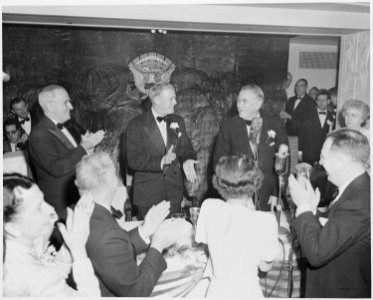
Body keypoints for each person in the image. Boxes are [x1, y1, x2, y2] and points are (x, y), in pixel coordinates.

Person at [77, 152, 185, 297]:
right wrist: (157, 245)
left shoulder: (86, 212)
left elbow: (114, 250)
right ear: (113, 182)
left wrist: (143, 230)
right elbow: (137, 290)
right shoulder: (105, 233)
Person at [289, 128, 370, 298]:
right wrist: (312, 211)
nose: (319, 162)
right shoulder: (355, 188)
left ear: (340, 162)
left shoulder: (359, 201)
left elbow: (317, 253)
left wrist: (303, 207)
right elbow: (337, 231)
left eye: (323, 157)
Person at [3, 173, 100, 297]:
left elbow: (54, 271)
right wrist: (79, 251)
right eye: (38, 208)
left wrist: (70, 242)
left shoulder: (14, 251)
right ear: (13, 227)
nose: (50, 209)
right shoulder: (38, 278)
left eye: (43, 200)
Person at [195, 155, 279, 298]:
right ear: (254, 183)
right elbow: (265, 266)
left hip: (217, 293)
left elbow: (206, 242)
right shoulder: (265, 221)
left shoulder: (208, 207)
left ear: (220, 182)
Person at [28, 84, 105, 221]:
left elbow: (73, 157)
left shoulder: (69, 125)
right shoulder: (38, 134)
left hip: (76, 199)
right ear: (50, 106)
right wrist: (83, 148)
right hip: (61, 206)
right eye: (66, 102)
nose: (71, 107)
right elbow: (57, 168)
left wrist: (88, 150)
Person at [126, 82, 197, 219]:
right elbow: (133, 159)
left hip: (174, 195)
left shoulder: (178, 121)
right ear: (157, 100)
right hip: (148, 196)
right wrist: (160, 161)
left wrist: (187, 160)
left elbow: (186, 148)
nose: (175, 102)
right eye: (171, 98)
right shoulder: (136, 125)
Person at [213, 84, 288, 211]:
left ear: (258, 103)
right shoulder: (229, 126)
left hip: (267, 193)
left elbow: (284, 162)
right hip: (238, 194)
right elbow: (219, 161)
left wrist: (277, 193)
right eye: (238, 101)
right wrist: (230, 193)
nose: (239, 105)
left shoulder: (275, 125)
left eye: (244, 101)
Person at [298, 89, 335, 165]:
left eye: (323, 100)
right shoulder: (307, 115)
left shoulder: (333, 117)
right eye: (318, 100)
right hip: (309, 154)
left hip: (325, 155)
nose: (321, 102)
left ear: (328, 101)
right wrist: (299, 152)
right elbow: (302, 134)